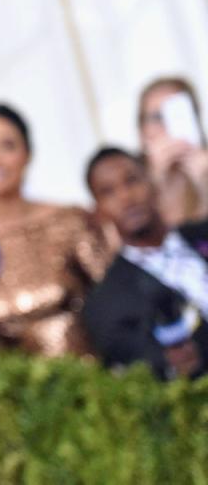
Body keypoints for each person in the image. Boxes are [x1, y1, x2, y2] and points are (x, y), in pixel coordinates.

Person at [0, 105, 109, 357]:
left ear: (27, 153)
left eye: (6, 146)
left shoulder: (70, 220)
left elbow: (113, 300)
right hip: (13, 387)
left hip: (91, 377)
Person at [83, 147, 208, 379]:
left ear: (152, 183)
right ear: (98, 211)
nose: (126, 197)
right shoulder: (106, 305)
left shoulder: (202, 233)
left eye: (132, 181)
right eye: (108, 192)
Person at [137, 77, 208, 227]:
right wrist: (159, 184)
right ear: (142, 131)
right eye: (157, 117)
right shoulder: (129, 185)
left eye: (177, 115)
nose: (167, 127)